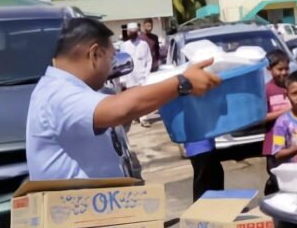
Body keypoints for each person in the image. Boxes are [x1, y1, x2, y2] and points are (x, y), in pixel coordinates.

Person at [26, 17, 220, 180]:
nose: (112, 68)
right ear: (94, 54)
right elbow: (118, 109)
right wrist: (182, 83)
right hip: (78, 220)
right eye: (110, 59)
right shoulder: (58, 93)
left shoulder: (66, 90)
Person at [263, 49, 292, 195]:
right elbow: (261, 117)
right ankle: (270, 195)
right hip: (273, 145)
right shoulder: (267, 90)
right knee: (276, 177)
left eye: (286, 68)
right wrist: (283, 112)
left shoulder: (293, 87)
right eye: (279, 69)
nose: (284, 72)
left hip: (293, 142)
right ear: (269, 69)